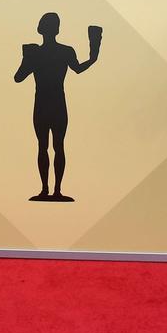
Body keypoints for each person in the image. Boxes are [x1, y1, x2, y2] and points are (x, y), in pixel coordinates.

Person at [14, 13, 101, 202]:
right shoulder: (55, 52)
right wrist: (26, 57)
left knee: (50, 146)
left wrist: (27, 57)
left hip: (49, 103)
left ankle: (52, 190)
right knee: (51, 146)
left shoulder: (49, 52)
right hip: (52, 103)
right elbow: (19, 77)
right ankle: (50, 190)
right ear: (56, 29)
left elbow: (18, 77)